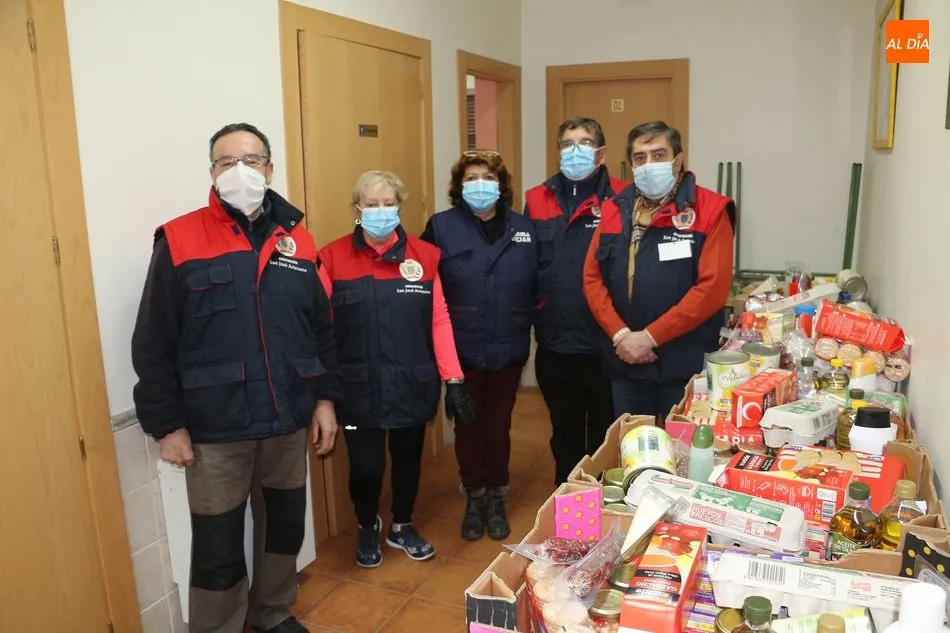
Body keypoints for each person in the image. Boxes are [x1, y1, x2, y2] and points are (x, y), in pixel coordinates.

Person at [131, 123, 342, 633]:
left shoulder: (299, 238)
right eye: (227, 162)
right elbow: (153, 339)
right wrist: (168, 425)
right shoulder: (179, 238)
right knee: (218, 542)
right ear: (211, 173)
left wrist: (325, 401)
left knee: (284, 529)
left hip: (289, 417)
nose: (240, 171)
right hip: (215, 427)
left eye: (251, 160)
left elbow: (320, 327)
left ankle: (271, 612)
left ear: (270, 168)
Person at [319, 170, 477, 568]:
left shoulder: (424, 256)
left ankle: (401, 525)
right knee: (367, 468)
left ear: (399, 207)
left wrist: (453, 378)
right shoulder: (332, 257)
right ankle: (367, 525)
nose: (380, 211)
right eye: (371, 204)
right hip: (358, 388)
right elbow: (319, 327)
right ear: (357, 210)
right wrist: (322, 390)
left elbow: (438, 319)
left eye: (388, 203)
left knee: (408, 460)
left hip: (412, 380)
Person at [420, 150, 538, 542]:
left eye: (487, 177)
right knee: (467, 427)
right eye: (471, 178)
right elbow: (420, 286)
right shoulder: (441, 227)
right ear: (459, 187)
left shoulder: (525, 228)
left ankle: (497, 496)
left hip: (508, 348)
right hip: (461, 351)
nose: (480, 184)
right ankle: (474, 497)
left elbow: (540, 284)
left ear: (501, 185)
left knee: (499, 425)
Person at [583, 121, 735, 420]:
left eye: (658, 154)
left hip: (682, 365)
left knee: (680, 455)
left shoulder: (710, 210)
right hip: (625, 361)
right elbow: (592, 278)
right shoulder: (614, 209)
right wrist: (621, 336)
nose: (649, 164)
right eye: (640, 158)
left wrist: (649, 337)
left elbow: (711, 290)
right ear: (630, 165)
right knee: (633, 450)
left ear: (678, 160)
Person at [524, 117, 627, 484]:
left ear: (601, 152)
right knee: (564, 433)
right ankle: (566, 507)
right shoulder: (537, 198)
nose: (575, 151)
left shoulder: (623, 196)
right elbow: (527, 265)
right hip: (556, 342)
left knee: (605, 436)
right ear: (557, 152)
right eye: (567, 144)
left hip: (606, 343)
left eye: (584, 142)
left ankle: (602, 504)